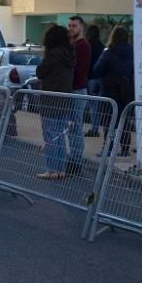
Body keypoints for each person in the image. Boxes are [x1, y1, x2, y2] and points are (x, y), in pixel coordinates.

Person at [35, 25, 76, 179]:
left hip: (50, 100)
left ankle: (51, 169)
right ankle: (60, 169)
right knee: (59, 135)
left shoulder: (52, 55)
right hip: (65, 99)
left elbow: (40, 72)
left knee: (50, 135)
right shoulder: (69, 55)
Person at [91, 25, 135, 157]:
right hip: (127, 91)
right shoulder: (134, 52)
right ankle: (125, 148)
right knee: (124, 120)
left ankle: (109, 148)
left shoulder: (109, 52)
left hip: (109, 91)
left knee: (108, 121)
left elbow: (96, 71)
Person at [65, 16, 92, 166]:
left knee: (76, 127)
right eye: (69, 26)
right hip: (72, 90)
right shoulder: (73, 45)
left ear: (81, 27)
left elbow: (78, 70)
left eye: (74, 26)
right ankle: (73, 157)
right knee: (72, 127)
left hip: (78, 90)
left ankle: (76, 160)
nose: (71, 28)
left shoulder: (82, 46)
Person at [85, 24, 105, 136]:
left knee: (91, 105)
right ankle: (95, 128)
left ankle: (94, 129)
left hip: (90, 78)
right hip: (99, 78)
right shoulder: (101, 46)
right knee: (96, 106)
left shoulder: (87, 45)